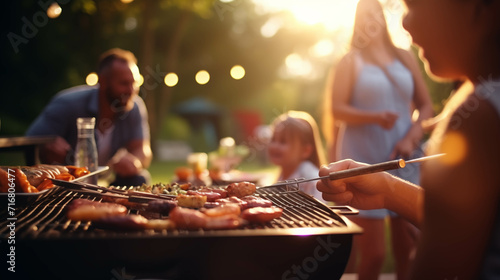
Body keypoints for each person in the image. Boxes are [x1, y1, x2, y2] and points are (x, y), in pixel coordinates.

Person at [318, 0, 500, 279]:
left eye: (413, 4)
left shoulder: (480, 116)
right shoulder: (351, 60)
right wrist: (389, 190)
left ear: (480, 8)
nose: (405, 22)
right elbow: (473, 223)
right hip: (370, 151)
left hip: (402, 152)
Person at [323, 0, 435, 279]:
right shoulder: (350, 60)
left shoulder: (404, 56)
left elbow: (426, 107)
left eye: (375, 12)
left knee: (409, 246)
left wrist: (411, 136)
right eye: (364, 14)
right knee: (374, 255)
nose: (370, 19)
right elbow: (337, 109)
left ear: (382, 17)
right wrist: (373, 116)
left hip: (403, 157)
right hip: (363, 154)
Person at [26, 48, 152, 187]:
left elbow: (142, 149)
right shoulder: (67, 103)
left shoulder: (134, 106)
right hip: (64, 181)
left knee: (140, 179)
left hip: (105, 180)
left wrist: (135, 161)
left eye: (134, 83)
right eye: (124, 83)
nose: (131, 90)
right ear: (103, 82)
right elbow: (31, 141)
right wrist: (47, 146)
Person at [267, 110, 327, 202]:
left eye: (283, 141)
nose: (275, 146)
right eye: (273, 139)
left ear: (305, 151)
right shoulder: (283, 173)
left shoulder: (310, 178)